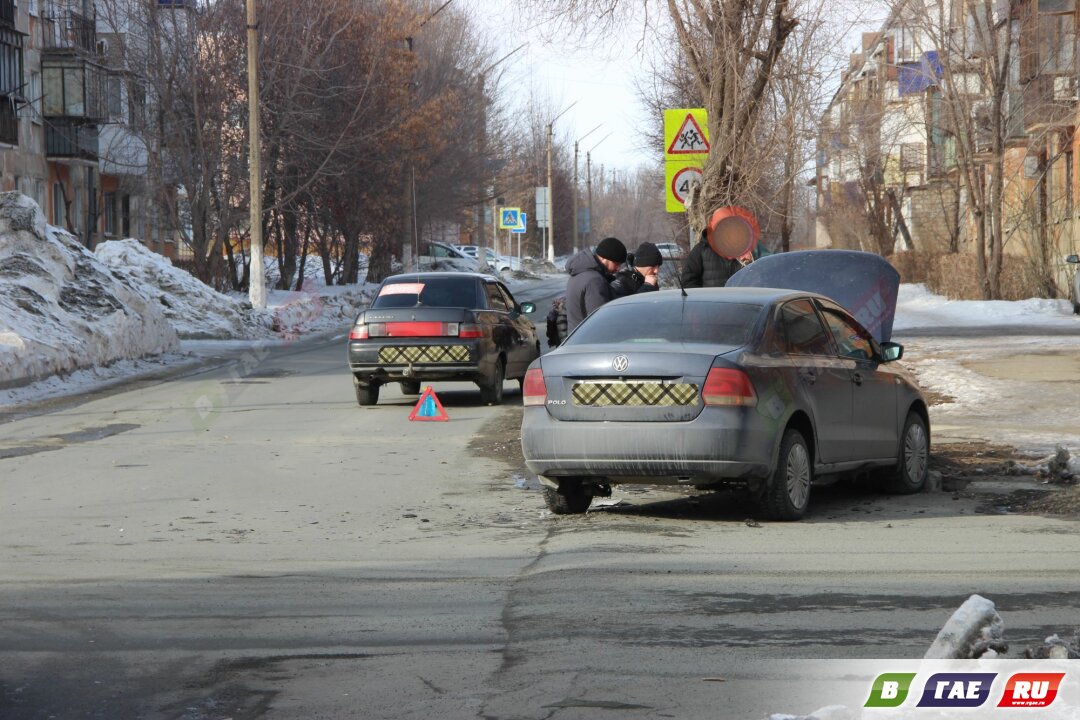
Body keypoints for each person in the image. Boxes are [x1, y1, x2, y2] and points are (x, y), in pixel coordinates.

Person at [564, 237, 627, 333]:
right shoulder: (595, 280)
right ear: (604, 258)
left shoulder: (578, 273)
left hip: (576, 338)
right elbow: (599, 321)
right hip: (589, 342)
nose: (618, 269)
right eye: (616, 263)